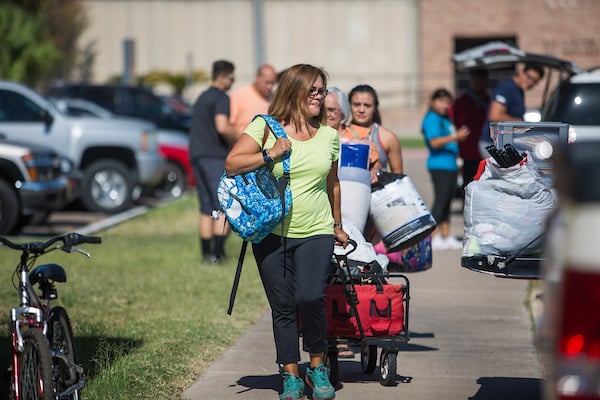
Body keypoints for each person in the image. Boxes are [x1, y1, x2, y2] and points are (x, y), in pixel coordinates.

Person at [225, 64, 349, 400]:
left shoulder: (329, 135)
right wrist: (269, 154)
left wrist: (337, 225)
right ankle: (290, 375)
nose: (318, 97)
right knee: (282, 304)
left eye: (321, 91)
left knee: (310, 296)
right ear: (292, 91)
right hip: (271, 233)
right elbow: (232, 163)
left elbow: (332, 183)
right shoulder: (264, 128)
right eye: (312, 90)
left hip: (316, 230)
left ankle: (318, 367)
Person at [189, 60, 238, 264]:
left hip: (197, 155)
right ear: (223, 75)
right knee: (222, 206)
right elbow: (222, 126)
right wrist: (240, 138)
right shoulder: (221, 98)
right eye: (232, 76)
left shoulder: (202, 97)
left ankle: (206, 254)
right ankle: (218, 254)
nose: (233, 80)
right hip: (214, 157)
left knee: (206, 208)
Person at [422, 88, 470, 251]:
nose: (445, 105)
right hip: (439, 164)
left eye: (447, 102)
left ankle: (445, 235)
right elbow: (434, 142)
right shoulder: (432, 118)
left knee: (448, 202)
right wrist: (455, 136)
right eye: (441, 100)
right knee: (440, 201)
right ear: (432, 101)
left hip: (451, 164)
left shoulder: (446, 118)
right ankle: (430, 237)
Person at [479, 62, 545, 155]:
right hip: (493, 144)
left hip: (506, 144)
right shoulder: (507, 88)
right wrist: (520, 122)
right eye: (529, 77)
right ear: (521, 72)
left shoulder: (519, 90)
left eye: (534, 81)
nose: (530, 82)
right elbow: (494, 115)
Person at [345, 84, 403, 179]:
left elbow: (398, 177)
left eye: (367, 105)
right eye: (356, 104)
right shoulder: (340, 133)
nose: (361, 110)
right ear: (349, 106)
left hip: (378, 192)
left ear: (375, 107)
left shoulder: (388, 137)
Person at [448, 69, 489, 191]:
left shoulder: (489, 100)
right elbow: (453, 122)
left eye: (481, 80)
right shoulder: (461, 102)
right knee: (468, 188)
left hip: (486, 152)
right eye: (475, 80)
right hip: (468, 152)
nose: (478, 83)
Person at [229, 64, 278, 137]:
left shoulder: (274, 98)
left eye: (272, 83)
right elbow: (229, 125)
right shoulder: (239, 95)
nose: (270, 87)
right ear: (257, 77)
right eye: (267, 82)